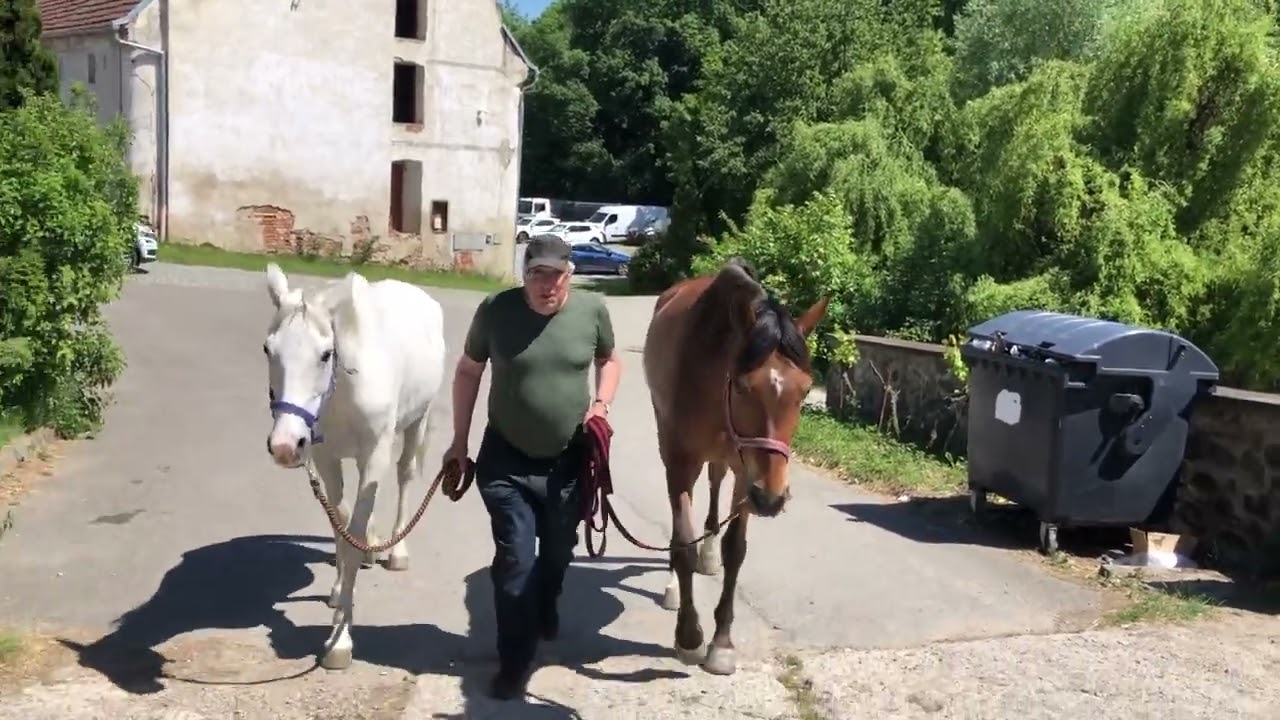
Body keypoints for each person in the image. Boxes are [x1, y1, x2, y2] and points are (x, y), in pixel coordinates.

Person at [446, 233, 622, 700]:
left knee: (558, 554)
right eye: (536, 275)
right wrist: (459, 443)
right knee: (516, 561)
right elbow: (468, 370)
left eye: (556, 276)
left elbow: (609, 360)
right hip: (506, 460)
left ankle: (547, 603)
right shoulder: (496, 310)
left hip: (569, 462)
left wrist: (601, 404)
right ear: (523, 275)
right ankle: (514, 660)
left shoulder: (591, 310)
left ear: (570, 275)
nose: (547, 286)